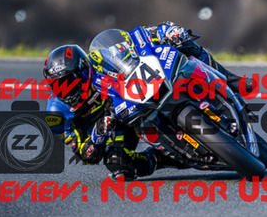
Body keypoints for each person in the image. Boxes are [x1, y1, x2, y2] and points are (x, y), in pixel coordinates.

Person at [43, 21, 250, 178]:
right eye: (58, 86)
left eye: (70, 82)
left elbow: (132, 40)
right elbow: (87, 156)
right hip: (116, 127)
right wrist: (98, 135)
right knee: (117, 162)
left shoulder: (96, 61)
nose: (66, 90)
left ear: (83, 70)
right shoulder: (57, 116)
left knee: (181, 43)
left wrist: (163, 31)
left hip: (133, 94)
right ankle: (162, 158)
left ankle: (229, 79)